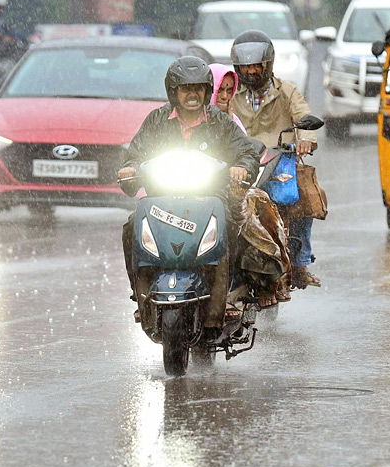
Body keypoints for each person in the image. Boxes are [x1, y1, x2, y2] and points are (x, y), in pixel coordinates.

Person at [116, 55, 261, 333]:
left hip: (211, 198)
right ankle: (141, 294)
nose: (192, 94)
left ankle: (228, 296)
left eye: (198, 88)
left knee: (231, 228)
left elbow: (246, 151)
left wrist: (241, 168)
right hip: (161, 199)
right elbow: (134, 156)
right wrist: (129, 170)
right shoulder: (157, 120)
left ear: (207, 91)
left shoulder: (219, 121)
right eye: (185, 88)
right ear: (174, 92)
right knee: (130, 227)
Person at [229, 29, 321, 288]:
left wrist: (305, 140)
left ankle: (300, 262)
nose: (251, 72)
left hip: (279, 160)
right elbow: (214, 118)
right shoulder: (229, 94)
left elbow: (303, 116)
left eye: (256, 66)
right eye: (245, 67)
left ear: (268, 64)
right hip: (239, 161)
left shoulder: (287, 91)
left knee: (302, 198)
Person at [209, 63, 246, 132]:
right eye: (219, 90)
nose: (224, 96)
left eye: (229, 91)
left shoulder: (235, 123)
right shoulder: (195, 119)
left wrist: (230, 124)